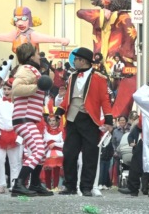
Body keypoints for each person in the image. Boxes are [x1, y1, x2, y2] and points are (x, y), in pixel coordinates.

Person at [55, 47, 113, 197]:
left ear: (83, 61)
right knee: (69, 153)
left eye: (76, 59)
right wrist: (59, 111)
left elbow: (105, 100)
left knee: (90, 156)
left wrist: (108, 119)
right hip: (73, 118)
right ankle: (70, 186)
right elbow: (68, 97)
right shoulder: (72, 76)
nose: (74, 62)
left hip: (89, 119)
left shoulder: (100, 78)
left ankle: (86, 186)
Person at [77, 0, 137, 119]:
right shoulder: (97, 15)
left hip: (117, 60)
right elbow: (80, 13)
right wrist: (101, 15)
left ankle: (117, 117)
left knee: (120, 87)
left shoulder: (123, 17)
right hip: (99, 60)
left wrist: (126, 56)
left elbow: (131, 35)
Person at [10, 43, 53, 197]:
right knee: (38, 150)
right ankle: (19, 183)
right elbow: (16, 88)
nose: (39, 56)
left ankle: (34, 183)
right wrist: (37, 87)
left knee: (43, 151)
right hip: (24, 118)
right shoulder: (27, 69)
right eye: (37, 53)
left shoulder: (31, 70)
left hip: (29, 118)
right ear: (30, 56)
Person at [0, 6, 69, 53]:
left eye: (24, 19)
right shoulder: (15, 34)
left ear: (29, 19)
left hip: (32, 68)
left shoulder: (32, 35)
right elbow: (1, 37)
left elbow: (47, 38)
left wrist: (60, 40)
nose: (20, 23)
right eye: (16, 19)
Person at [0, 78, 22, 194]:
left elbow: (21, 120)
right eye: (5, 89)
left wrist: (20, 136)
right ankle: (1, 184)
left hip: (14, 133)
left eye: (9, 89)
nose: (6, 91)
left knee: (14, 161)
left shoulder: (18, 102)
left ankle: (14, 184)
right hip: (0, 134)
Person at [43, 114, 64, 190]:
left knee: (56, 169)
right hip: (47, 152)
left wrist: (55, 144)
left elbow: (64, 143)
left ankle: (55, 186)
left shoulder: (61, 131)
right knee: (47, 169)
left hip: (58, 153)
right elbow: (43, 141)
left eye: (53, 120)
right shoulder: (45, 131)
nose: (51, 122)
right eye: (50, 120)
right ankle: (48, 187)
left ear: (57, 121)